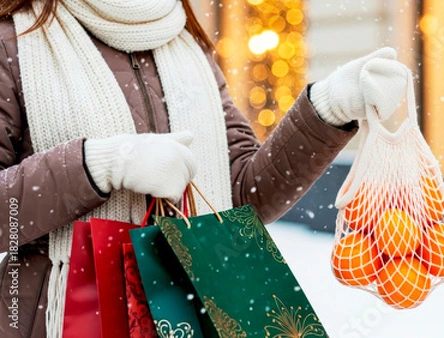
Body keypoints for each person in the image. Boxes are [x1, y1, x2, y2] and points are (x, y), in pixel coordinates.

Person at [0, 0, 407, 336]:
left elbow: (245, 193)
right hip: (52, 317)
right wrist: (100, 164)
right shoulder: (13, 42)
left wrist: (327, 108)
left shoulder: (185, 41)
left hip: (191, 309)